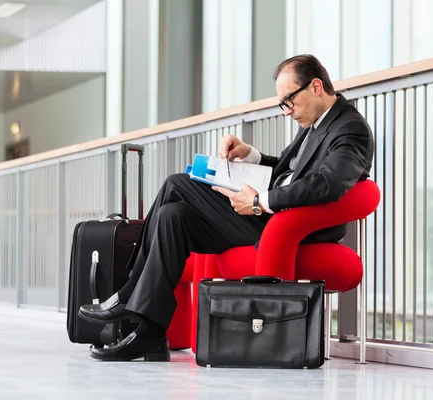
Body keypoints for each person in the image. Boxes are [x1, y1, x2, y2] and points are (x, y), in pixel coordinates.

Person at [78, 54, 374, 362]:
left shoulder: (350, 129)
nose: (286, 112)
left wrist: (259, 202)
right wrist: (250, 155)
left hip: (288, 228)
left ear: (315, 87)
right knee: (172, 216)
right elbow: (288, 172)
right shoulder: (314, 122)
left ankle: (127, 293)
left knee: (176, 184)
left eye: (289, 101)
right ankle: (150, 335)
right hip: (267, 216)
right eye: (282, 104)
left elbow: (328, 184)